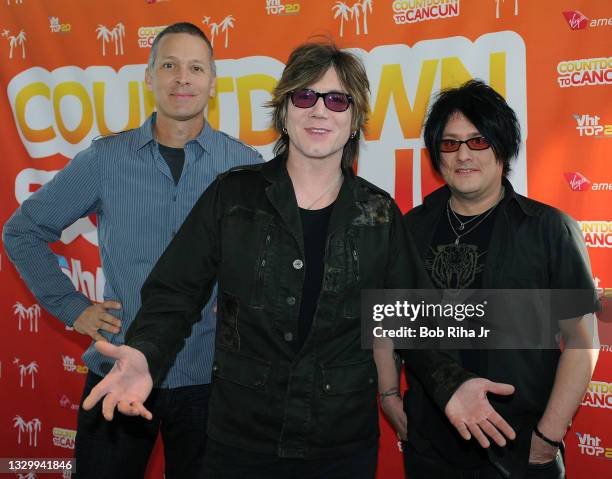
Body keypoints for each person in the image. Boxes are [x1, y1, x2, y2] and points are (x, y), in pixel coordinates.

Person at [79, 40, 429, 479]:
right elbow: (175, 293)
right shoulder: (233, 196)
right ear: (284, 112)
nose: (320, 111)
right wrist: (146, 353)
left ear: (355, 119)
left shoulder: (379, 214)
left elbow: (414, 321)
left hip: (340, 445)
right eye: (305, 96)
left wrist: (455, 384)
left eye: (337, 99)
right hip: (241, 444)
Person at [3, 22, 262, 479]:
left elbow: (270, 261)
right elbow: (22, 231)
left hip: (211, 379)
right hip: (118, 367)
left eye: (196, 68)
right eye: (169, 65)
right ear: (148, 77)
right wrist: (72, 307)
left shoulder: (244, 166)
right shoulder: (106, 160)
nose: (183, 78)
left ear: (213, 81)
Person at [380, 80, 600, 478]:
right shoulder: (410, 228)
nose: (463, 155)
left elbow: (584, 340)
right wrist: (389, 395)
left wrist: (547, 439)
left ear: (502, 147)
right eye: (450, 144)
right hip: (431, 450)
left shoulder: (549, 229)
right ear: (436, 154)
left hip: (520, 454)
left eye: (478, 141)